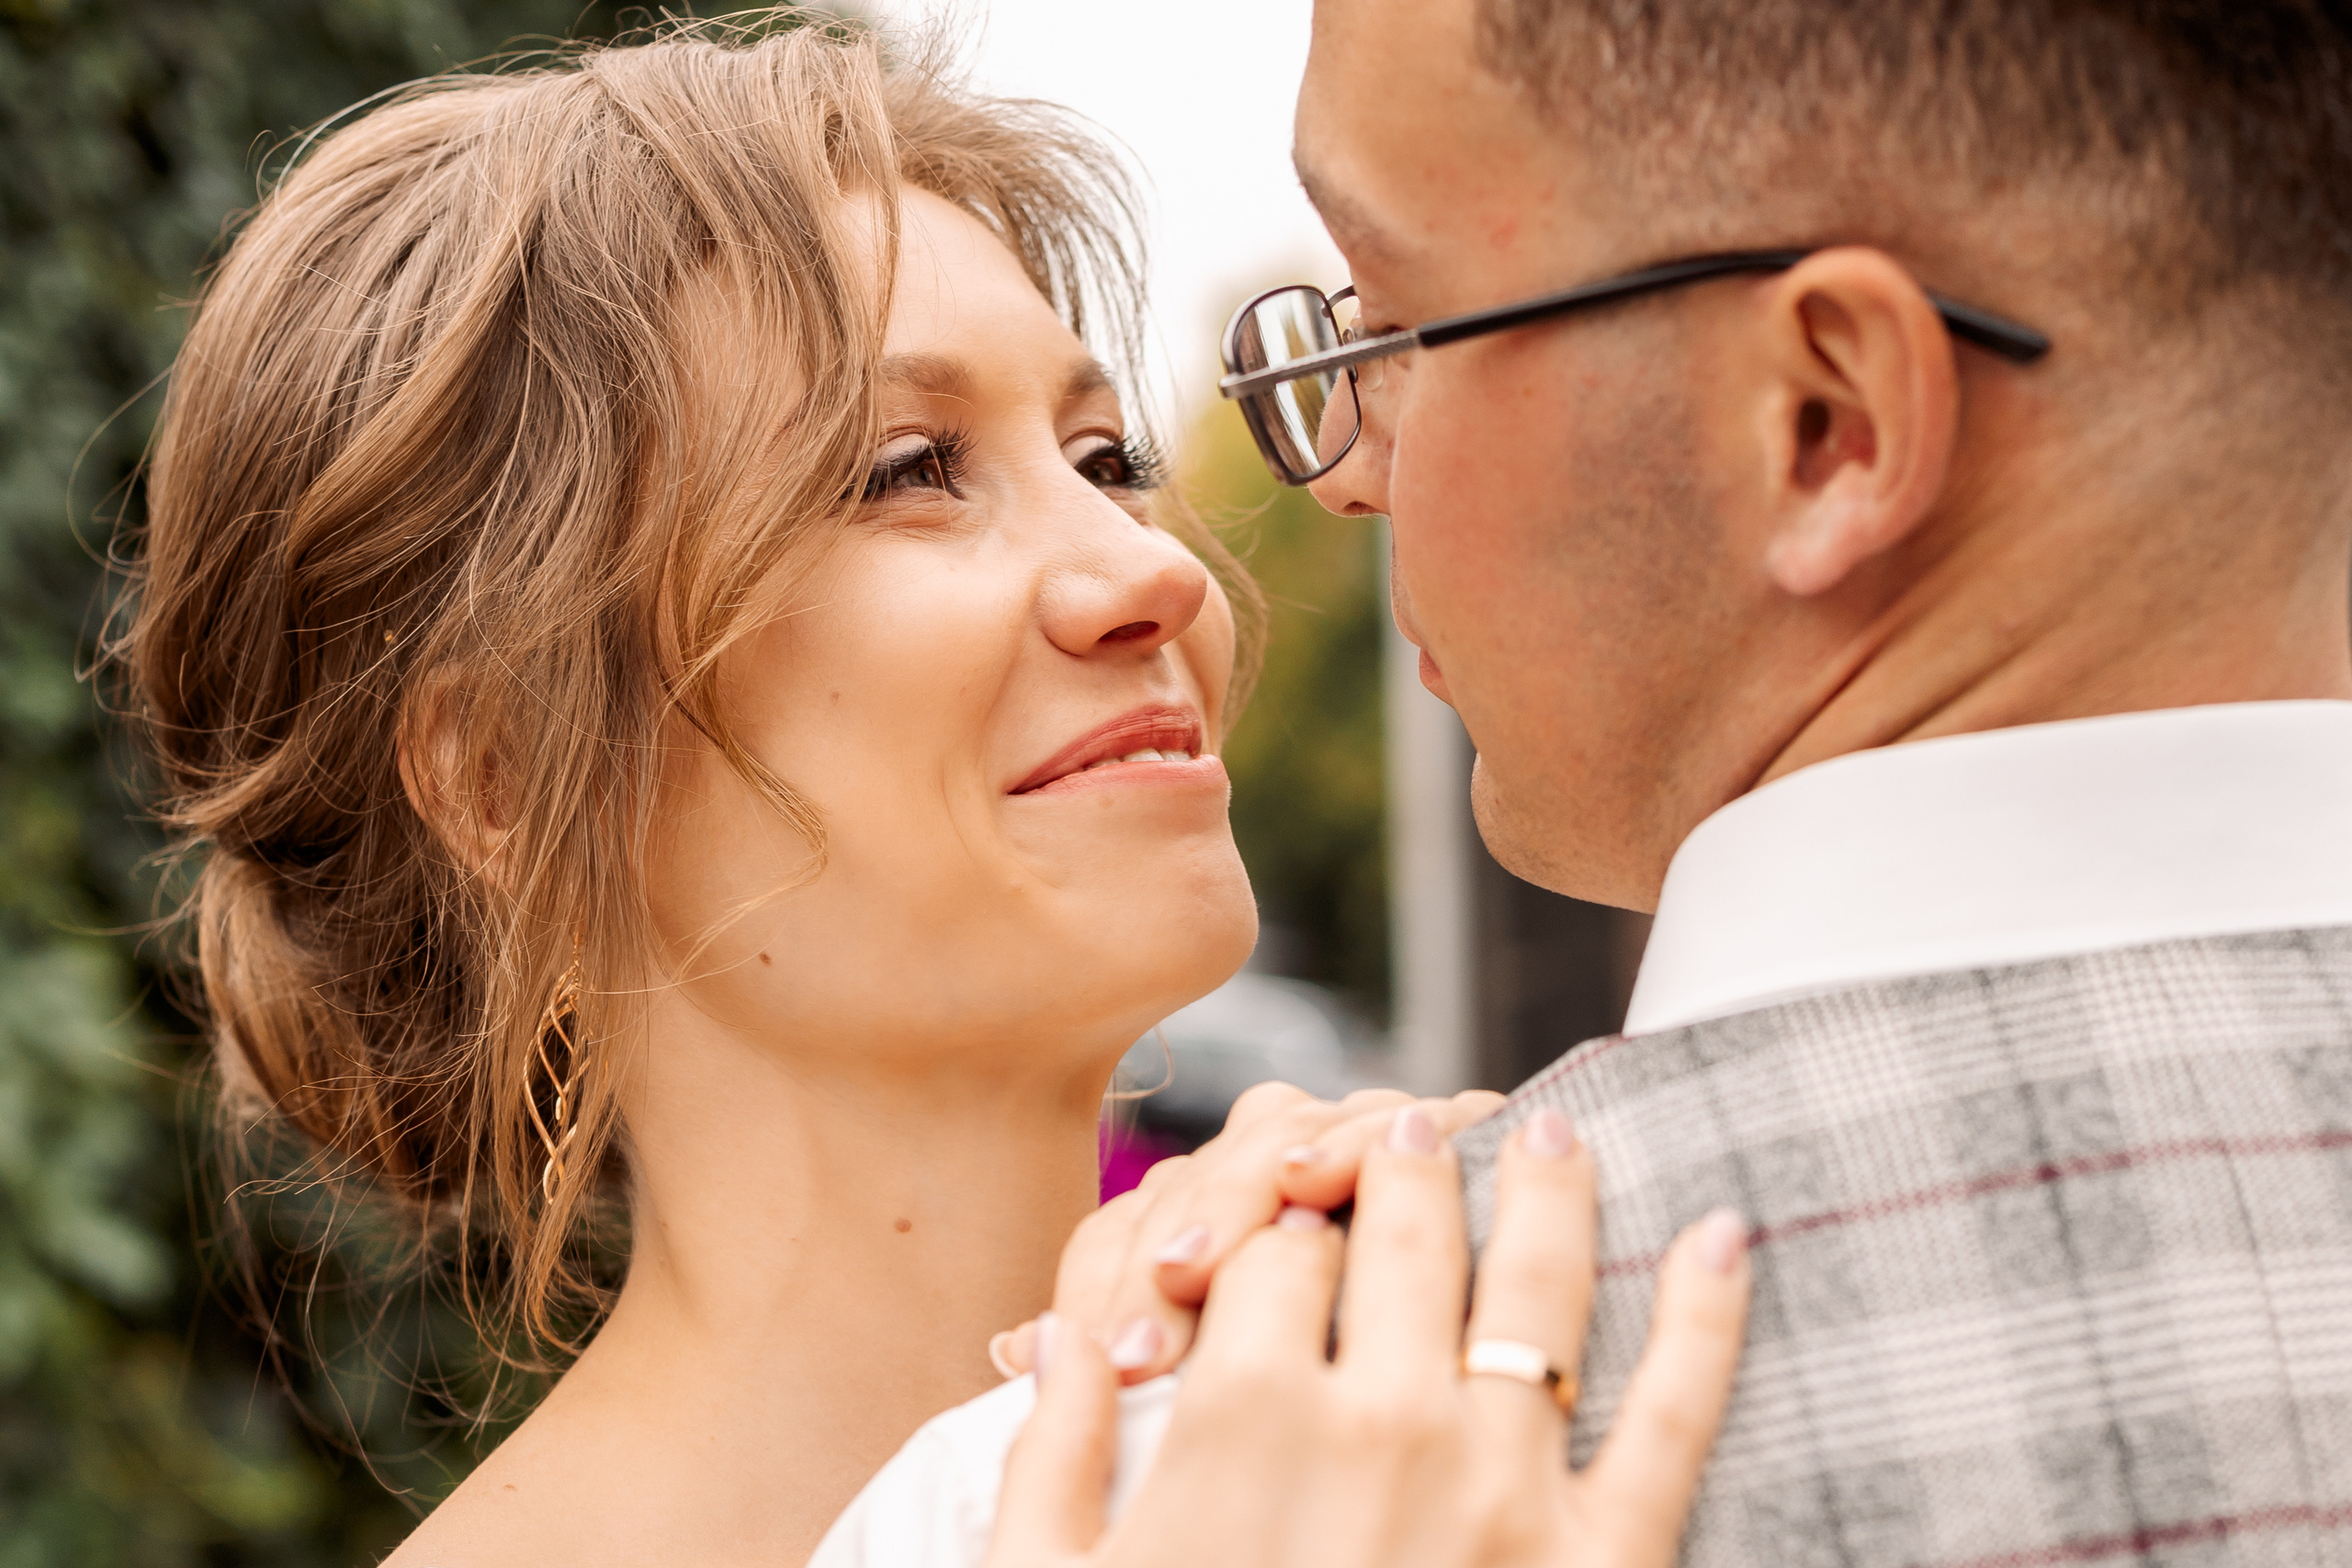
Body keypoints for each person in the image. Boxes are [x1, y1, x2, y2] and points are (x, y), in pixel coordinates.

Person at [114, 16, 1751, 1567]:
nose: (1153, 570)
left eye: (1106, 459)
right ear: (506, 775)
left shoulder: (1465, 1335)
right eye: (910, 473)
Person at [823, 0, 2352, 1564]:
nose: (1347, 472)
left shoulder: (1118, 1483)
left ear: (1826, 423)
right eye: (911, 472)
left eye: (1397, 325)